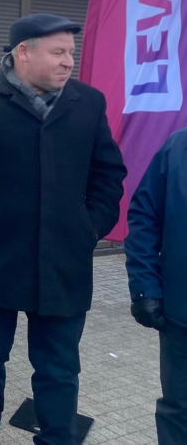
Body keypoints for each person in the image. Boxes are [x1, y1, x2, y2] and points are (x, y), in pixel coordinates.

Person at [0, 13, 127, 445]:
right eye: (58, 52)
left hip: (64, 260)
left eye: (70, 52)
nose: (68, 61)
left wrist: (90, 228)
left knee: (59, 366)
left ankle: (56, 438)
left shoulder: (88, 102)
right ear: (23, 52)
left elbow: (109, 174)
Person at [125, 129, 187, 444]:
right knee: (179, 411)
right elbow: (145, 216)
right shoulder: (178, 147)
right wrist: (145, 287)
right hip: (182, 316)